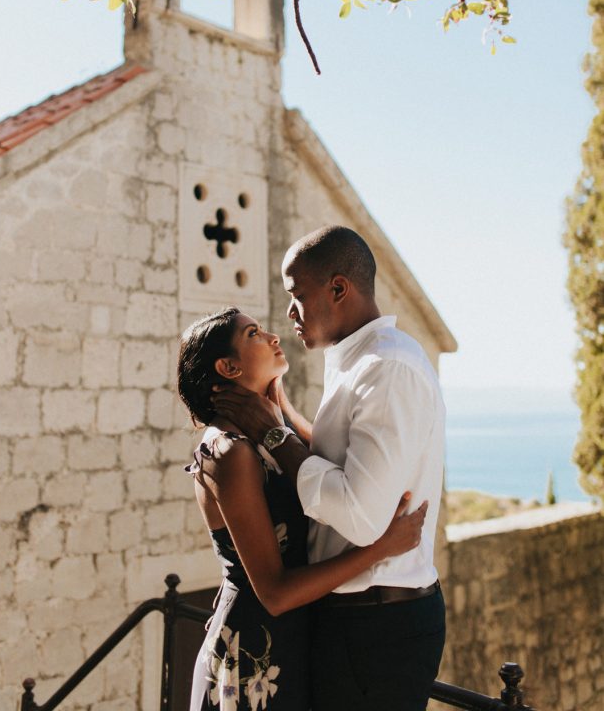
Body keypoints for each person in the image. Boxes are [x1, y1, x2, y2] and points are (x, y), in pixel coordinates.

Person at [211, 225, 446, 711]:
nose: (289, 313)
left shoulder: (387, 368)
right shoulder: (354, 362)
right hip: (346, 619)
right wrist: (277, 416)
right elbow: (332, 459)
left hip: (378, 627)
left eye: (297, 295)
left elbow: (360, 517)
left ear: (338, 288)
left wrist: (273, 434)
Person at [178, 305, 429, 711]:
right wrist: (381, 548)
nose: (273, 337)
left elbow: (331, 468)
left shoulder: (261, 434)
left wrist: (277, 405)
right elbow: (275, 593)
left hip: (292, 644)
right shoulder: (229, 452)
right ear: (228, 367)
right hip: (254, 655)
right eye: (253, 335)